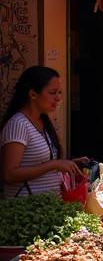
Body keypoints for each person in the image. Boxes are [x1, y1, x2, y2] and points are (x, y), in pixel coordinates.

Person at [1, 66, 81, 198]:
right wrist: (53, 164)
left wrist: (69, 164)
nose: (58, 98)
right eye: (53, 92)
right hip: (27, 209)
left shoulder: (43, 121)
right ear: (33, 94)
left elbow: (39, 164)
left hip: (48, 207)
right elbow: (9, 174)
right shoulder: (18, 124)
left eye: (59, 92)